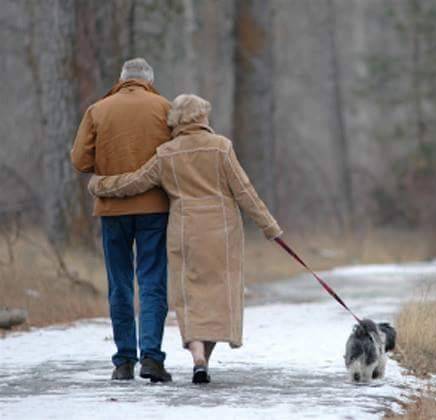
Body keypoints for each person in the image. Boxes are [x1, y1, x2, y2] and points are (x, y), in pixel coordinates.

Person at [88, 94, 282, 384]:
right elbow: (244, 191)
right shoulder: (221, 148)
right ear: (203, 117)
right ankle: (205, 359)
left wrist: (100, 184)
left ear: (175, 121)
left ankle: (197, 357)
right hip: (223, 233)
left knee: (189, 298)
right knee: (218, 296)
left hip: (184, 231)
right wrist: (270, 228)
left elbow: (135, 182)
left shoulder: (167, 153)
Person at [71, 58, 173, 383]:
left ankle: (123, 362)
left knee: (120, 284)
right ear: (149, 81)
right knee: (153, 281)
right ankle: (152, 359)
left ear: (121, 80)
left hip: (112, 209)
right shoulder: (164, 108)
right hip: (154, 209)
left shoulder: (98, 109)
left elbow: (79, 160)